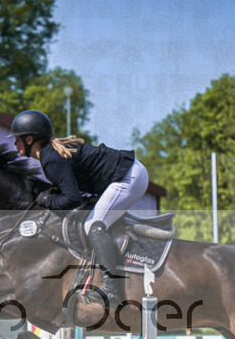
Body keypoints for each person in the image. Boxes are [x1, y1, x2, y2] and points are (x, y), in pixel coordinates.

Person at [9, 109, 149, 305]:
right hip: (125, 174)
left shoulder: (51, 159)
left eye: (17, 139)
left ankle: (112, 291)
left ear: (29, 139)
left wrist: (46, 200)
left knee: (94, 226)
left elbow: (72, 199)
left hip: (128, 178)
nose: (14, 143)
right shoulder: (50, 155)